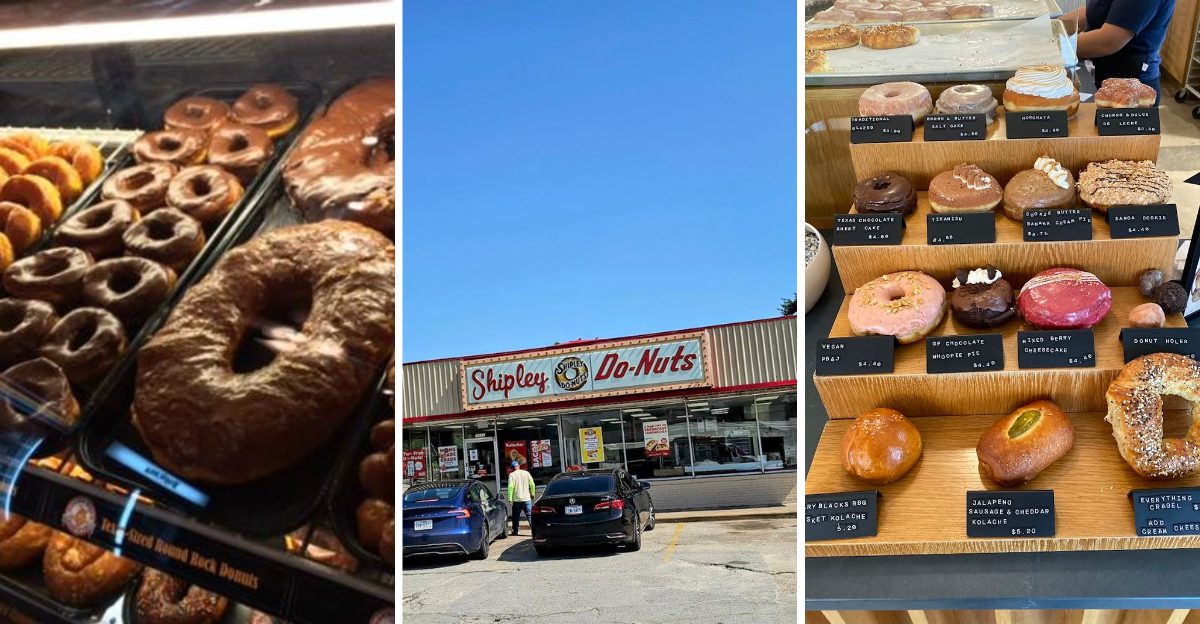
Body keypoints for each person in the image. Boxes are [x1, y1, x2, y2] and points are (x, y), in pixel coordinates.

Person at [1060, 0, 1176, 104]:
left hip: (1131, 82)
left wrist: (1055, 46)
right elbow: (1095, 11)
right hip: (1105, 72)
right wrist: (1053, 26)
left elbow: (1108, 41)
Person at [506, 460, 536, 535]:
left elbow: (510, 487)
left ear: (512, 468)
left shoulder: (511, 475)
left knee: (515, 517)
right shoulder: (526, 473)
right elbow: (532, 484)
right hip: (527, 499)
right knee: (530, 516)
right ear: (518, 466)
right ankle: (534, 531)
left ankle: (515, 531)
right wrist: (532, 494)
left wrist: (510, 498)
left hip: (517, 500)